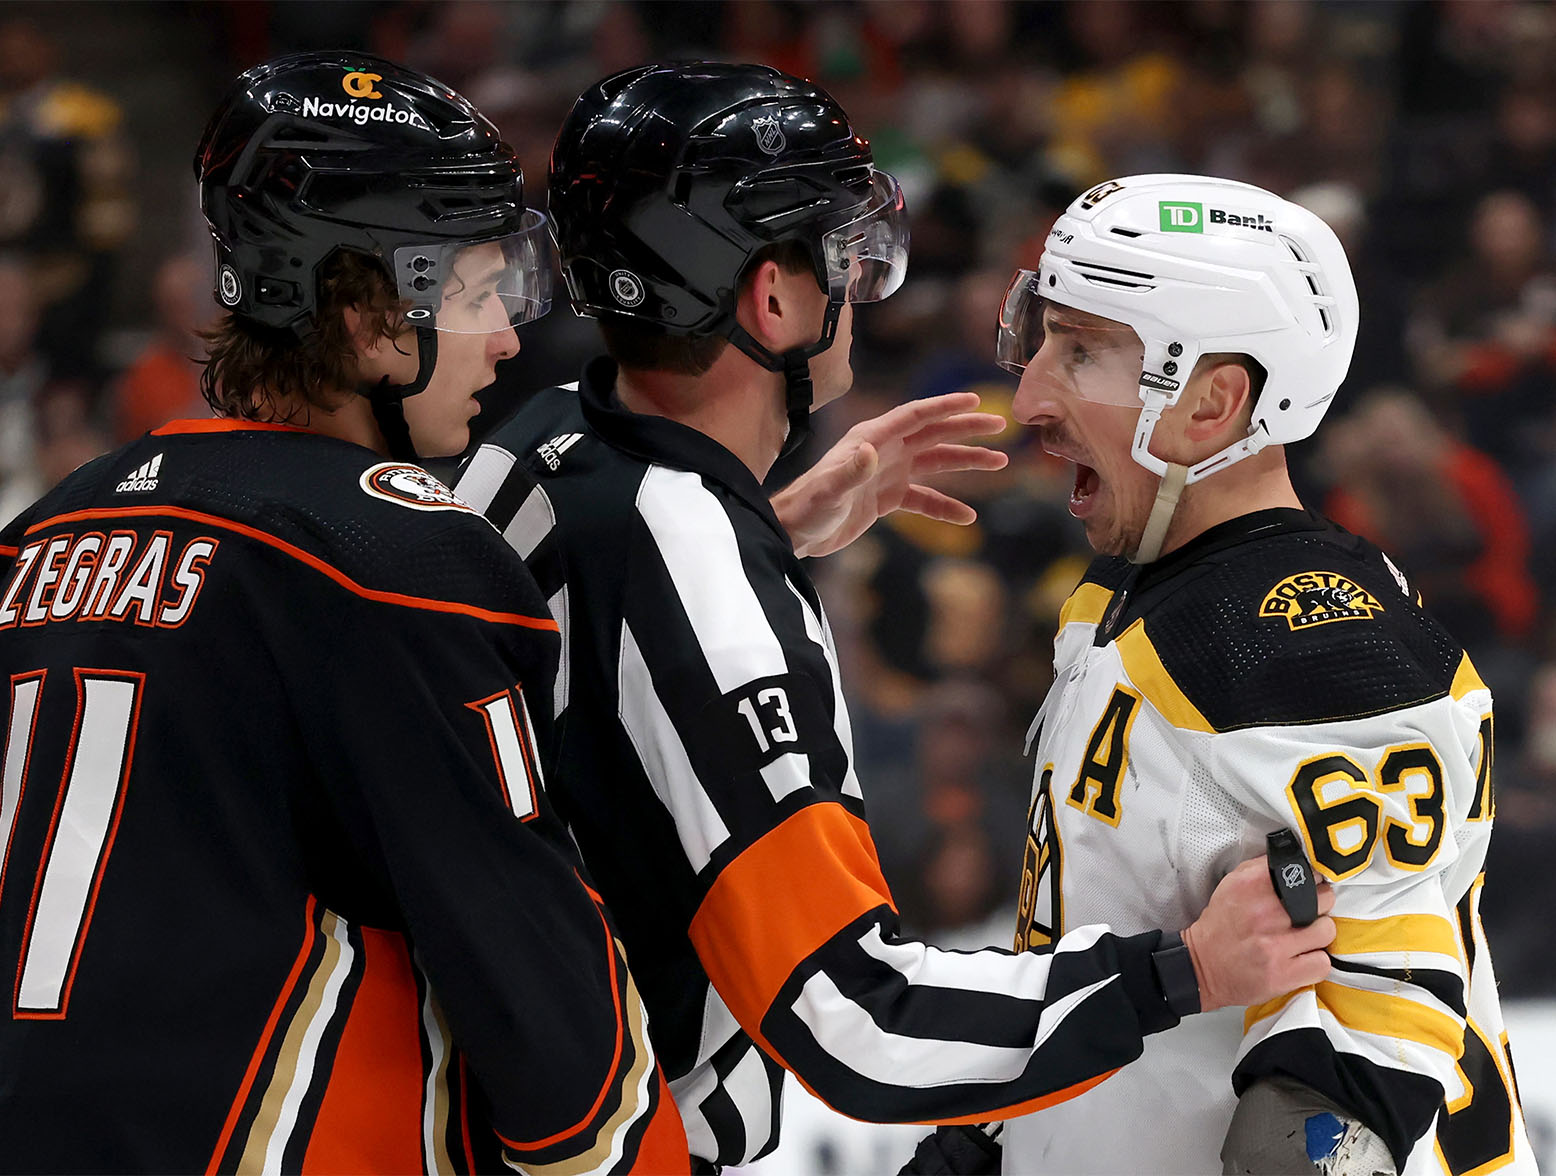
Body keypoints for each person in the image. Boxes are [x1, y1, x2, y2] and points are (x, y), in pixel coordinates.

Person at [455, 63, 1334, 1174]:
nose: (862, 288)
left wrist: (760, 529)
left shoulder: (543, 442)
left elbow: (579, 675)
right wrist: (1185, 973)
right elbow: (854, 1016)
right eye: (840, 256)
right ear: (770, 298)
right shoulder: (698, 587)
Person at [0, 53, 687, 1174]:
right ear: (367, 313)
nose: (508, 338)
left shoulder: (43, 534)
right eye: (476, 290)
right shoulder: (393, 549)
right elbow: (526, 958)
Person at [994, 173, 1535, 1174]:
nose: (1031, 394)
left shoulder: (1307, 650)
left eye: (1079, 353)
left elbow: (1353, 1066)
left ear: (1212, 399)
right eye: (1041, 342)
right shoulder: (1129, 603)